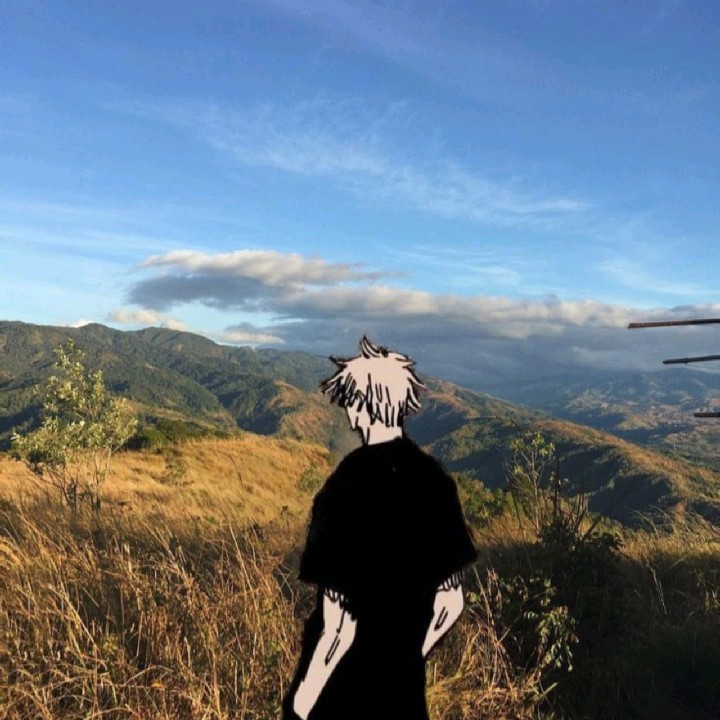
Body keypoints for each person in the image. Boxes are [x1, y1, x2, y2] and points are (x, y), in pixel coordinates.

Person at [282, 336, 477, 720]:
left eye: (350, 401)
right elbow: (451, 602)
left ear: (360, 405)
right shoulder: (436, 483)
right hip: (404, 698)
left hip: (343, 697)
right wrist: (407, 659)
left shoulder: (343, 488)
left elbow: (338, 627)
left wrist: (300, 704)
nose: (349, 412)